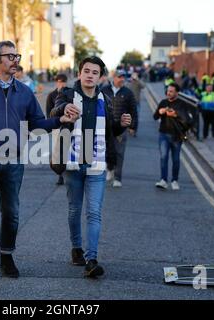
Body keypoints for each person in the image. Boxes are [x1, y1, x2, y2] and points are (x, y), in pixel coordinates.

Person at [0, 41, 75, 285]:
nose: (15, 59)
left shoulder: (24, 92)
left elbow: (37, 123)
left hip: (14, 159)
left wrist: (60, 120)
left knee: (11, 212)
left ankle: (6, 256)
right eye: (9, 56)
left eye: (16, 55)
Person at [51, 56, 132, 278]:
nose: (90, 75)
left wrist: (121, 125)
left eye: (94, 72)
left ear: (100, 77)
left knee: (94, 212)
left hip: (97, 163)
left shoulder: (104, 99)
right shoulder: (67, 94)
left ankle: (91, 258)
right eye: (86, 70)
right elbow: (54, 112)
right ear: (79, 73)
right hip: (72, 161)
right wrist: (64, 109)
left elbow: (110, 131)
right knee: (75, 209)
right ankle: (76, 248)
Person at [101, 69, 137, 188]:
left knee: (119, 152)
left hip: (121, 128)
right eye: (120, 77)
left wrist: (132, 126)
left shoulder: (128, 92)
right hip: (107, 127)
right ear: (114, 78)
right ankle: (109, 169)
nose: (122, 79)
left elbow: (133, 110)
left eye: (123, 77)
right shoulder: (104, 90)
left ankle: (117, 177)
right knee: (106, 151)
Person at [154, 83, 192, 191]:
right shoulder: (163, 102)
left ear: (176, 92)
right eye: (168, 91)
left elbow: (188, 120)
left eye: (171, 91)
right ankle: (163, 180)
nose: (168, 93)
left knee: (175, 159)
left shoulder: (182, 104)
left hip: (176, 135)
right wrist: (160, 112)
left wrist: (175, 114)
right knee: (163, 158)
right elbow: (155, 116)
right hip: (163, 134)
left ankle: (175, 180)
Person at [46, 73, 69, 186]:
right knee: (57, 153)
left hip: (67, 128)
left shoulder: (69, 93)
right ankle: (60, 175)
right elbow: (48, 112)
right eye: (59, 82)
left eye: (63, 82)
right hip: (56, 126)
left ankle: (66, 173)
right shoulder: (51, 95)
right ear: (56, 82)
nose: (61, 84)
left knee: (66, 150)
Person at [126, 72, 145, 136]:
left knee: (136, 117)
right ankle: (129, 128)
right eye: (133, 75)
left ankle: (134, 130)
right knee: (129, 116)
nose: (134, 77)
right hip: (128, 103)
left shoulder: (138, 83)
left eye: (135, 76)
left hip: (136, 103)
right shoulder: (129, 82)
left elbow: (143, 86)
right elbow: (125, 88)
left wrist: (137, 79)